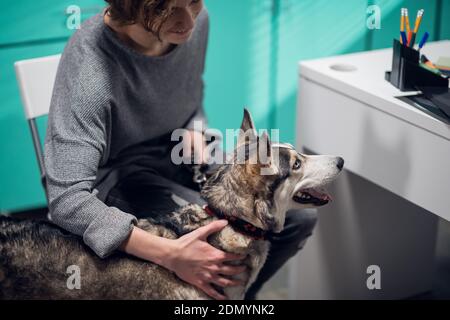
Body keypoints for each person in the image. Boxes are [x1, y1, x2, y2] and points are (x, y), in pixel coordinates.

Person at [44, 0, 317, 300]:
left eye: (193, 1)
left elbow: (190, 92)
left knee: (294, 219)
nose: (187, 20)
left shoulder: (195, 24)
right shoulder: (90, 68)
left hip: (181, 155)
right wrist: (170, 254)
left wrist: (195, 125)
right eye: (165, 8)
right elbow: (66, 200)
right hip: (120, 176)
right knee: (226, 243)